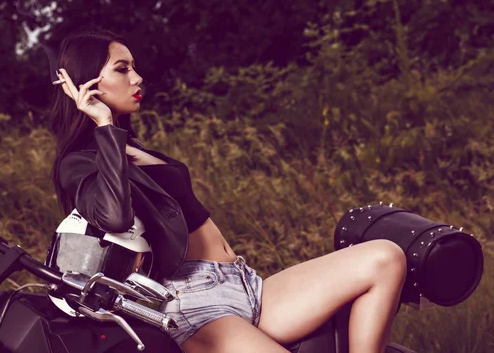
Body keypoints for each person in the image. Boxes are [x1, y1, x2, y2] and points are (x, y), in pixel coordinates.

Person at [49, 28, 408, 353]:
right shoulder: (81, 161)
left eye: (134, 67)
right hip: (192, 303)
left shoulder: (136, 147)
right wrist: (105, 125)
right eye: (122, 68)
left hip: (244, 282)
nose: (138, 77)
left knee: (385, 258)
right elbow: (114, 217)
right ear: (89, 84)